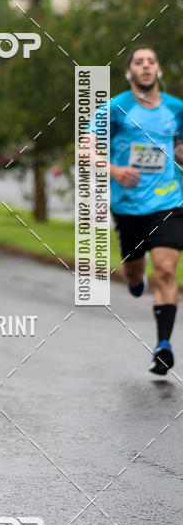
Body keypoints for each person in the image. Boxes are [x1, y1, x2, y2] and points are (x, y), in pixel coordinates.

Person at [92, 45, 183, 376]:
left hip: (169, 201)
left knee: (166, 270)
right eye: (139, 62)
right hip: (129, 207)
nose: (146, 66)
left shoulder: (177, 109)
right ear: (130, 73)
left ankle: (163, 346)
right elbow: (85, 151)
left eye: (151, 62)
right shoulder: (114, 109)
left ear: (158, 70)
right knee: (135, 276)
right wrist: (114, 170)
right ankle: (134, 276)